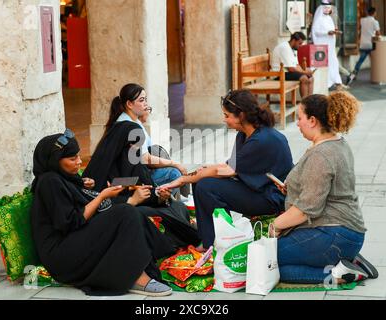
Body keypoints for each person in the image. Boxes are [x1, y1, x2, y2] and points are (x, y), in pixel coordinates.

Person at [30, 129, 174, 296]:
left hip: (73, 241)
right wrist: (102, 196)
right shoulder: (49, 182)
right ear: (54, 161)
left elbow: (72, 199)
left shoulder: (62, 177)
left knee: (133, 214)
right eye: (72, 158)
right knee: (125, 213)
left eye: (78, 156)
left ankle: (158, 258)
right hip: (62, 256)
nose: (78, 162)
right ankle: (135, 277)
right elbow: (71, 223)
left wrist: (82, 186)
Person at [158, 89, 294, 250]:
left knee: (205, 185)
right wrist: (205, 170)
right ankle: (214, 239)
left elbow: (226, 170)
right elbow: (232, 167)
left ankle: (216, 242)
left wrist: (182, 179)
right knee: (203, 182)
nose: (225, 120)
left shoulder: (263, 139)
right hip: (257, 190)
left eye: (227, 115)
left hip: (272, 198)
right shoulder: (243, 135)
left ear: (241, 116)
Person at [270, 91, 378, 284]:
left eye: (299, 117)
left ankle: (343, 273)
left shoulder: (321, 155)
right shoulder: (336, 144)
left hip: (334, 235)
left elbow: (305, 210)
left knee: (269, 263)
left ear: (312, 121)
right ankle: (346, 260)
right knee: (272, 260)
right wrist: (293, 190)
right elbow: (321, 188)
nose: (297, 122)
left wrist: (274, 227)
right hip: (344, 233)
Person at [82, 85, 201, 250]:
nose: (146, 105)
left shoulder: (131, 135)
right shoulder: (100, 176)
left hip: (131, 194)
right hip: (126, 206)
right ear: (129, 104)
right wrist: (134, 198)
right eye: (142, 100)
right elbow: (111, 197)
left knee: (177, 207)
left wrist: (158, 195)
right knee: (163, 210)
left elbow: (135, 181)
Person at [311, 0, 347, 90]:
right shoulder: (319, 18)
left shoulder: (329, 18)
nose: (327, 10)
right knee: (323, 65)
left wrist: (335, 32)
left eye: (329, 8)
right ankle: (325, 83)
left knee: (333, 62)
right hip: (322, 46)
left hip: (330, 46)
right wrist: (327, 33)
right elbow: (315, 32)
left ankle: (337, 82)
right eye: (326, 8)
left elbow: (331, 30)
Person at [271, 32, 314, 98]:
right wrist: (305, 72)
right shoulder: (284, 48)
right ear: (294, 40)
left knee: (310, 78)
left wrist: (305, 70)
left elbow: (296, 65)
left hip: (287, 72)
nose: (300, 46)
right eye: (299, 43)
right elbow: (291, 68)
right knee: (304, 78)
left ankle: (310, 101)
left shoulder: (293, 49)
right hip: (279, 74)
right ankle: (304, 102)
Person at [347, 7, 381, 85]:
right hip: (372, 44)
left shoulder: (362, 20)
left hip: (363, 43)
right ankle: (377, 75)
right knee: (377, 60)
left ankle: (353, 75)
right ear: (374, 13)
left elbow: (360, 30)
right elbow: (378, 33)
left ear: (368, 13)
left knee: (360, 60)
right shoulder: (375, 22)